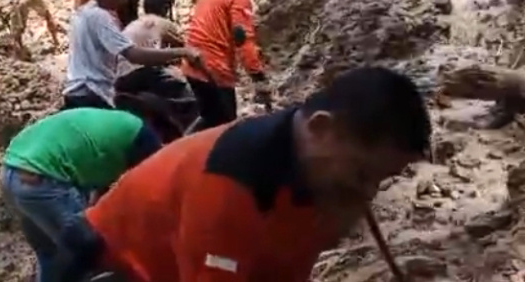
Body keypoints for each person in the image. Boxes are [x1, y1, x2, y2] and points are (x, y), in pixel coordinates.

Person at [72, 66, 432, 282]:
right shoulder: (231, 182)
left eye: (380, 179)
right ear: (321, 128)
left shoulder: (319, 177)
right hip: (109, 265)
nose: (368, 191)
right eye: (363, 172)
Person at [0, 108, 162, 282]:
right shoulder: (142, 148)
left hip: (12, 169)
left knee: (52, 253)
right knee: (85, 248)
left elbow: (101, 192)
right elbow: (142, 193)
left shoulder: (117, 130)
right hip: (41, 178)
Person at [64, 0, 200, 110]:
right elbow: (133, 55)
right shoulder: (100, 16)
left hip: (76, 90)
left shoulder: (83, 13)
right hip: (92, 92)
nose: (123, 1)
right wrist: (183, 52)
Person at [182, 0, 274, 131]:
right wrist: (258, 77)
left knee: (209, 118)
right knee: (225, 128)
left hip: (193, 62)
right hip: (214, 68)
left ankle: (176, 150)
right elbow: (242, 39)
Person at [114, 0, 192, 101]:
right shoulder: (164, 23)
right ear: (165, 8)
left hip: (121, 78)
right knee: (185, 90)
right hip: (144, 75)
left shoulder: (133, 23)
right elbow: (182, 48)